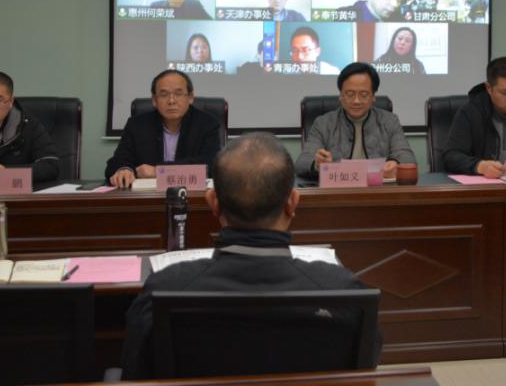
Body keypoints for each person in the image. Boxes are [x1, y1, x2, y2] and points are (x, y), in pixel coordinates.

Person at [120, 132, 379, 379]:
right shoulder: (342, 292)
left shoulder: (165, 288)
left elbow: (136, 371)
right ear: (293, 203)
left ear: (213, 202)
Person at [295, 62, 416, 179]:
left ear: (373, 96)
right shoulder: (323, 124)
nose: (356, 101)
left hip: (377, 189)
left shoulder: (389, 121)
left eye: (363, 94)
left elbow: (408, 158)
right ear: (341, 96)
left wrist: (395, 163)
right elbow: (302, 162)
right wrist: (317, 164)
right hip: (338, 189)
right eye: (350, 94)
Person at [105, 69, 222, 188]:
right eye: (164, 94)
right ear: (154, 100)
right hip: (147, 195)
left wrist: (158, 171)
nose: (171, 101)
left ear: (190, 97)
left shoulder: (207, 124)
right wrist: (124, 169)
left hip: (192, 193)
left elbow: (211, 165)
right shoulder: (136, 125)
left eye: (178, 94)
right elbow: (116, 162)